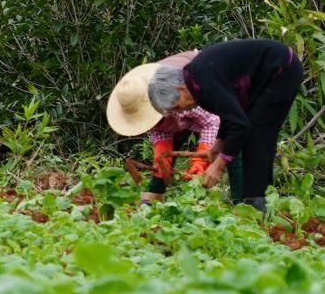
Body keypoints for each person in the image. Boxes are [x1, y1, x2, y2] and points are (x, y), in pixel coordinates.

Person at [109, 39, 304, 213]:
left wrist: (217, 166)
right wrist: (218, 145)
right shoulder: (190, 88)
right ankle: (256, 204)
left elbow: (239, 124)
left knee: (256, 137)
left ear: (180, 90)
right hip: (256, 79)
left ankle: (254, 206)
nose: (179, 112)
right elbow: (231, 113)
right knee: (245, 135)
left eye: (177, 107)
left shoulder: (202, 85)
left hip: (280, 70)